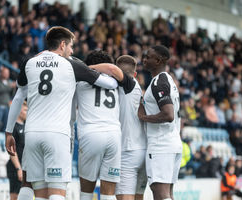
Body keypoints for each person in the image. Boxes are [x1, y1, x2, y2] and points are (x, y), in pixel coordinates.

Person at [5, 26, 126, 200]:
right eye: (70, 47)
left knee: (36, 189)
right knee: (57, 191)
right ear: (62, 45)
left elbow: (18, 98)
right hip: (58, 134)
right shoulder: (71, 64)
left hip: (32, 133)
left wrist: (9, 131)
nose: (71, 51)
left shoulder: (29, 62)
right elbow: (112, 84)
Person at [75, 51, 135, 200]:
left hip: (91, 134)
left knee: (86, 193)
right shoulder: (117, 83)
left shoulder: (80, 82)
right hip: (114, 136)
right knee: (108, 195)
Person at [138, 45, 182, 200]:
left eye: (148, 57)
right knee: (168, 195)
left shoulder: (158, 83)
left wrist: (144, 118)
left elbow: (168, 114)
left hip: (161, 145)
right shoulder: (169, 80)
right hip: (172, 141)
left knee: (161, 195)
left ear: (157, 60)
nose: (144, 59)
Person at [114, 55, 147, 200]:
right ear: (135, 73)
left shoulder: (129, 84)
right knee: (138, 196)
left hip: (128, 151)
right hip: (142, 150)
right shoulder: (136, 86)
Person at [7, 101, 32, 200]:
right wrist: (18, 168)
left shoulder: (26, 126)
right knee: (15, 196)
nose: (27, 112)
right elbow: (12, 151)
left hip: (25, 166)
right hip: (15, 167)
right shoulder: (13, 127)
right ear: (19, 110)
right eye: (25, 110)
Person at [0, 67, 16, 131]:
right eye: (5, 73)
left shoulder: (8, 82)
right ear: (1, 73)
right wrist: (10, 86)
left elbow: (11, 94)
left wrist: (14, 88)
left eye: (8, 73)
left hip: (6, 106)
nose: (7, 74)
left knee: (5, 125)